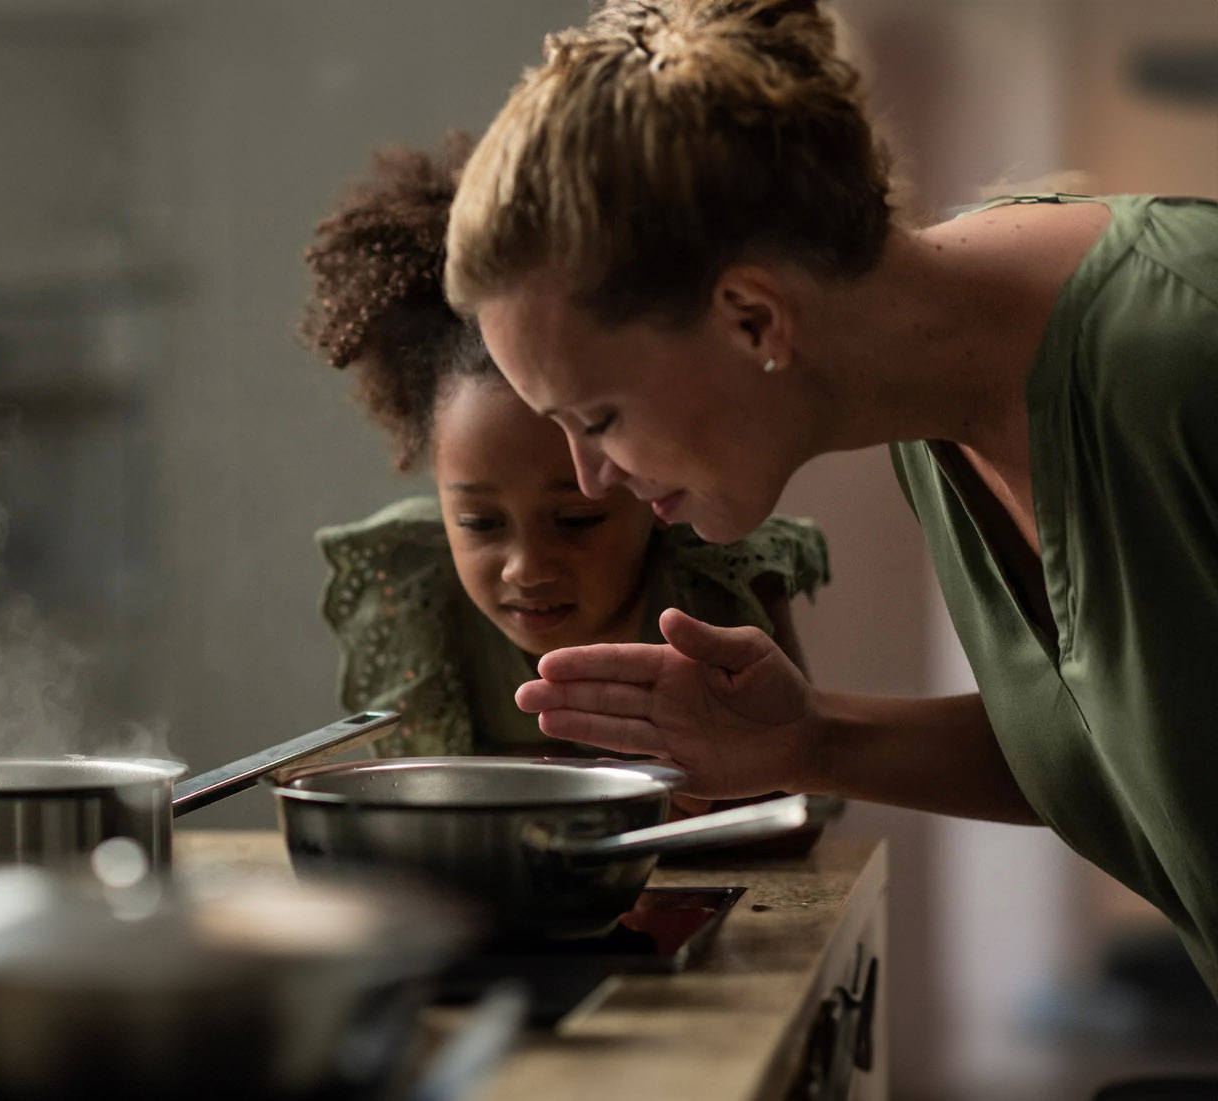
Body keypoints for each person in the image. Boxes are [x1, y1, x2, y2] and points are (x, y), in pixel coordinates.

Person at [444, 0, 1218, 995]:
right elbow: (1140, 748)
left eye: (595, 417)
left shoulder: (1183, 354)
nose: (591, 475)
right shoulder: (933, 412)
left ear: (751, 316)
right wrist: (809, 740)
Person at [298, 134, 828, 771]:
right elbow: (416, 791)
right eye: (479, 523)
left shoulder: (720, 580)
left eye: (576, 520)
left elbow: (804, 784)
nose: (525, 567)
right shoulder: (413, 586)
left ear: (647, 484)